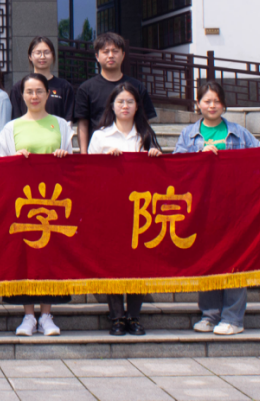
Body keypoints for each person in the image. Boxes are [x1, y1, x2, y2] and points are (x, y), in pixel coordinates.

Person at [174, 81, 260, 337]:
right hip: (203, 211)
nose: (212, 105)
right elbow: (177, 166)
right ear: (198, 104)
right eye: (207, 101)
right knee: (207, 262)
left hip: (235, 210)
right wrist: (199, 153)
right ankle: (210, 315)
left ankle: (233, 318)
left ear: (223, 104)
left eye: (217, 101)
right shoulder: (188, 134)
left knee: (235, 262)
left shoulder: (239, 133)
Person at [0, 74, 73, 338]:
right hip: (22, 202)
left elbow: (71, 161)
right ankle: (28, 315)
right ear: (22, 95)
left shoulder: (61, 124)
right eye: (29, 91)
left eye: (39, 91)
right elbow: (1, 163)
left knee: (50, 256)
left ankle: (47, 315)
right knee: (24, 257)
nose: (34, 96)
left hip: (53, 201)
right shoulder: (12, 127)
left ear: (48, 93)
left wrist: (62, 156)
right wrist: (15, 158)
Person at [87, 83, 163, 338]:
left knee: (138, 264)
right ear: (112, 105)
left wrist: (155, 155)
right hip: (110, 209)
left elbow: (160, 175)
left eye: (130, 101)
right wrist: (106, 161)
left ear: (138, 106)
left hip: (140, 211)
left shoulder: (145, 134)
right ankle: (117, 317)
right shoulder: (101, 136)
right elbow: (88, 173)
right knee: (112, 263)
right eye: (120, 102)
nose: (125, 106)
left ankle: (134, 316)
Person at [76, 33, 158, 154]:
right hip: (101, 150)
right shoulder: (86, 88)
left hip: (133, 145)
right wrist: (84, 156)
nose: (111, 55)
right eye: (106, 51)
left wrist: (148, 145)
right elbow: (83, 124)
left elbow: (145, 120)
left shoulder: (136, 86)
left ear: (123, 55)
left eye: (115, 51)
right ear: (97, 56)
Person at [8, 37, 75, 121]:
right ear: (30, 56)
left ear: (53, 55)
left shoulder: (64, 87)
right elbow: (15, 119)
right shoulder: (19, 87)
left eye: (47, 52)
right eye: (38, 53)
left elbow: (68, 121)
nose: (42, 57)